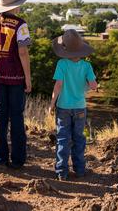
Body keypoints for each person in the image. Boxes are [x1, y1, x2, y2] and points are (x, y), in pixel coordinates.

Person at [0, 0, 33, 170]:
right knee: (17, 118)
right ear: (16, 6)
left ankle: (0, 158)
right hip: (16, 77)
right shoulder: (21, 25)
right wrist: (27, 78)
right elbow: (23, 52)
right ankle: (18, 160)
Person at [49, 29, 98, 180]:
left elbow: (58, 86)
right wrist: (86, 85)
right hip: (80, 107)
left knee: (63, 139)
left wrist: (52, 104)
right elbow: (94, 86)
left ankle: (61, 172)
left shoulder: (62, 64)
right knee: (79, 138)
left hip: (63, 106)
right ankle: (80, 170)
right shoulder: (87, 66)